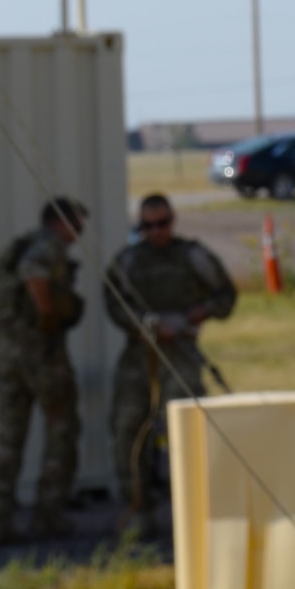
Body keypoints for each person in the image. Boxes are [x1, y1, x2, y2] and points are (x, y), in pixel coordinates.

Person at [104, 194, 238, 534]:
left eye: (162, 223)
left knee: (186, 434)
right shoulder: (128, 261)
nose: (156, 232)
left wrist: (200, 312)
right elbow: (113, 302)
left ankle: (194, 513)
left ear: (173, 220)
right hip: (138, 359)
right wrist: (145, 324)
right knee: (128, 432)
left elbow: (226, 296)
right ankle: (139, 510)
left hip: (180, 355)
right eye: (148, 226)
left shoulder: (193, 256)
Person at [0, 196, 88, 544]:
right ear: (60, 224)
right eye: (76, 226)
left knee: (7, 436)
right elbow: (35, 274)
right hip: (42, 354)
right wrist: (47, 316)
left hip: (7, 356)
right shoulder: (46, 249)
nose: (78, 235)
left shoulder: (13, 251)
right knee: (62, 428)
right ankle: (48, 517)